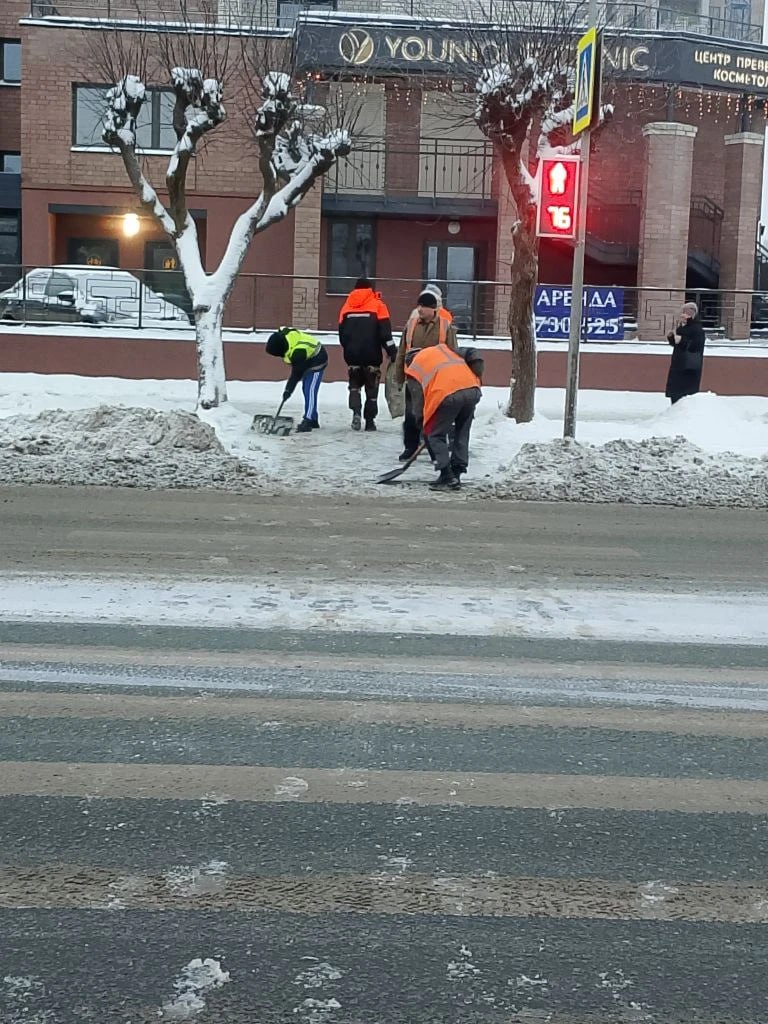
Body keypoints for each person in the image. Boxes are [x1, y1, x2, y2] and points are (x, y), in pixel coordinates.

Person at [405, 343, 483, 491]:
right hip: (472, 389)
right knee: (462, 432)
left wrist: (423, 425)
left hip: (447, 394)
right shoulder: (443, 349)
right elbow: (473, 353)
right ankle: (457, 472)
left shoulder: (413, 370)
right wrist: (477, 377)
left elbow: (418, 402)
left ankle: (447, 476)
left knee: (435, 435)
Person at [394, 288, 459, 461]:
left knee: (433, 417)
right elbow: (402, 351)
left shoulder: (445, 327)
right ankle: (410, 447)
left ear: (433, 309)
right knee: (411, 415)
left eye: (424, 306)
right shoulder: (411, 325)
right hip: (414, 379)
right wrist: (399, 376)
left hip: (436, 381)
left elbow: (453, 354)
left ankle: (434, 450)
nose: (420, 309)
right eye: (419, 305)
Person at [338, 277, 396, 432]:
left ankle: (356, 413)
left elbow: (341, 335)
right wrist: (392, 352)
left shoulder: (346, 306)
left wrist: (349, 348)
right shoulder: (378, 305)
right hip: (372, 355)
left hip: (352, 355)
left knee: (354, 386)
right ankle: (369, 421)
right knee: (372, 389)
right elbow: (385, 334)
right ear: (370, 289)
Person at [265, 326, 328, 432]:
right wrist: (288, 391)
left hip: (317, 361)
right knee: (305, 389)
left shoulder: (298, 352)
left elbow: (295, 375)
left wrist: (288, 391)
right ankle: (313, 419)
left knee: (310, 390)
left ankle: (308, 420)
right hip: (306, 360)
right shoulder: (285, 337)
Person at [665, 302, 706, 404]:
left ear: (693, 313)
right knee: (675, 392)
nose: (684, 314)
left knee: (685, 394)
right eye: (684, 311)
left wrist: (682, 340)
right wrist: (672, 338)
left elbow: (696, 346)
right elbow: (677, 344)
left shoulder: (697, 328)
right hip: (678, 364)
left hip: (689, 367)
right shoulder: (682, 327)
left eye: (688, 312)